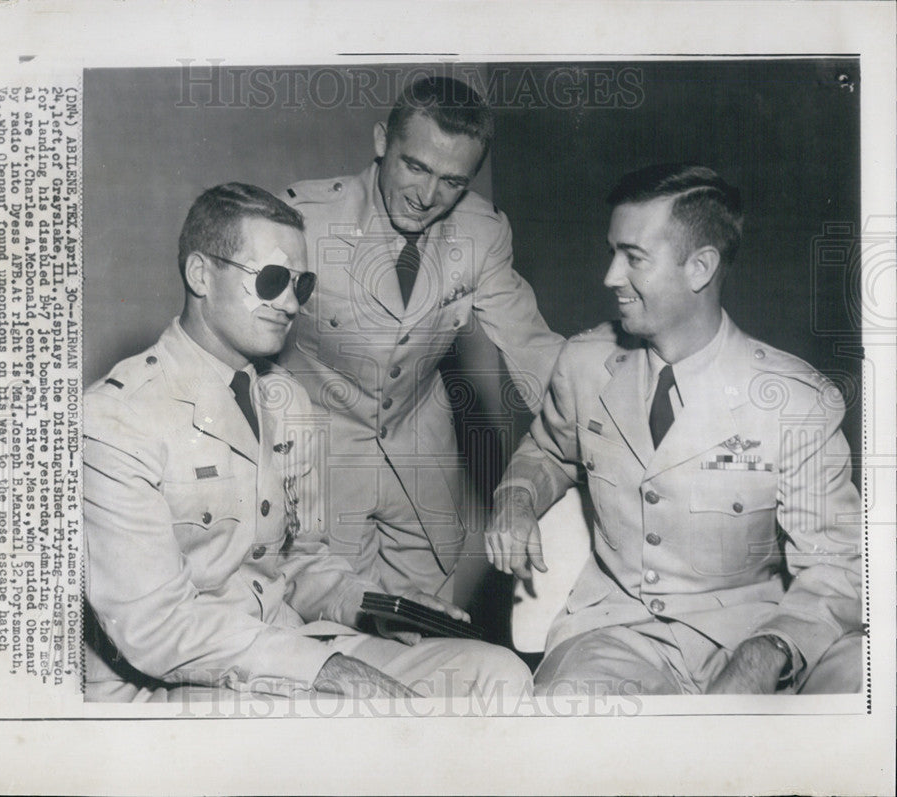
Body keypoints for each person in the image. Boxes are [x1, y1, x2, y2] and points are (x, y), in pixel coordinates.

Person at [83, 182, 531, 703]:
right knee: (360, 722)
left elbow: (302, 562)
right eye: (272, 280)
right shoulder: (115, 419)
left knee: (496, 675)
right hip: (175, 682)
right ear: (201, 275)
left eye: (303, 284)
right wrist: (325, 670)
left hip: (287, 646)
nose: (292, 303)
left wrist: (380, 606)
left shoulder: (286, 402)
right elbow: (157, 628)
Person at [485, 164, 862, 695]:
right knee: (568, 723)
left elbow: (839, 564)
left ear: (699, 268)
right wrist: (517, 493)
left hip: (755, 628)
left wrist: (770, 650)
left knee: (860, 684)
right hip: (617, 633)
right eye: (612, 252)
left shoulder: (795, 402)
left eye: (633, 258)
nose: (611, 276)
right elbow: (548, 450)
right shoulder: (586, 363)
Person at [278, 76, 564, 602]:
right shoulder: (302, 223)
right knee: (334, 631)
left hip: (423, 463)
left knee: (427, 632)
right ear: (383, 142)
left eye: (453, 181)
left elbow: (537, 352)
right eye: (416, 166)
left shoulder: (481, 232)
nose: (428, 196)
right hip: (320, 462)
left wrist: (611, 430)